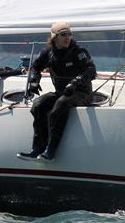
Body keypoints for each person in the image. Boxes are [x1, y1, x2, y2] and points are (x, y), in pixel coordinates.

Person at [17, 21, 96, 162]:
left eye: (69, 34)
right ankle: (37, 149)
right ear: (54, 38)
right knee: (38, 104)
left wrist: (75, 82)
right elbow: (36, 67)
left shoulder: (79, 52)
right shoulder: (48, 53)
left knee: (60, 104)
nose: (68, 37)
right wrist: (34, 81)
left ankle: (51, 151)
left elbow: (91, 70)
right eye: (63, 34)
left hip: (82, 93)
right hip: (62, 92)